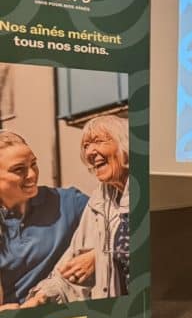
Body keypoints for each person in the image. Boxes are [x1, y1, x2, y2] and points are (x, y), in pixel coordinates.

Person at [24, 115, 131, 306]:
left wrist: (99, 257)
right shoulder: (99, 201)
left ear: (125, 144)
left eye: (99, 141)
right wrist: (41, 296)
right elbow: (71, 266)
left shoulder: (145, 186)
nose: (90, 152)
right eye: (86, 146)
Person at [0, 131, 88, 309]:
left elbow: (119, 230)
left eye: (33, 164)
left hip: (70, 316)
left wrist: (95, 256)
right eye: (19, 169)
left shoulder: (69, 202)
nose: (32, 174)